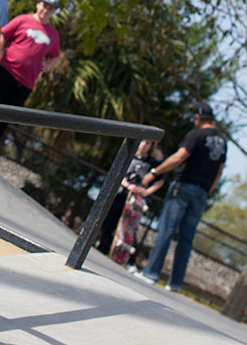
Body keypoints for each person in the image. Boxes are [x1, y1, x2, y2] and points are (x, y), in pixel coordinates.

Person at [139, 101, 227, 292]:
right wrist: (206, 192)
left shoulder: (196, 134)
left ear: (197, 117)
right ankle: (175, 283)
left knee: (166, 229)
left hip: (184, 186)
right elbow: (219, 172)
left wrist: (154, 173)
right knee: (186, 238)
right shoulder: (222, 142)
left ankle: (151, 273)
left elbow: (179, 157)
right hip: (202, 192)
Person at [0, 0, 62, 161]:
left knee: (5, 119)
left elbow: (56, 55)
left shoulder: (53, 34)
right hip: (8, 70)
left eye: (50, 9)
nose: (46, 10)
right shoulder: (23, 20)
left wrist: (47, 66)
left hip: (26, 82)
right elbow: (3, 34)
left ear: (53, 12)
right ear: (38, 4)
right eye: (44, 6)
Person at [96, 139, 164, 258]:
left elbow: (160, 180)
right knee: (110, 220)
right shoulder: (128, 156)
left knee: (130, 227)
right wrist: (128, 185)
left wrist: (147, 191)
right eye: (143, 142)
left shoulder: (152, 163)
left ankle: (125, 257)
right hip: (121, 193)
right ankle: (103, 247)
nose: (144, 145)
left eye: (147, 143)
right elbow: (118, 172)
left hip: (135, 200)